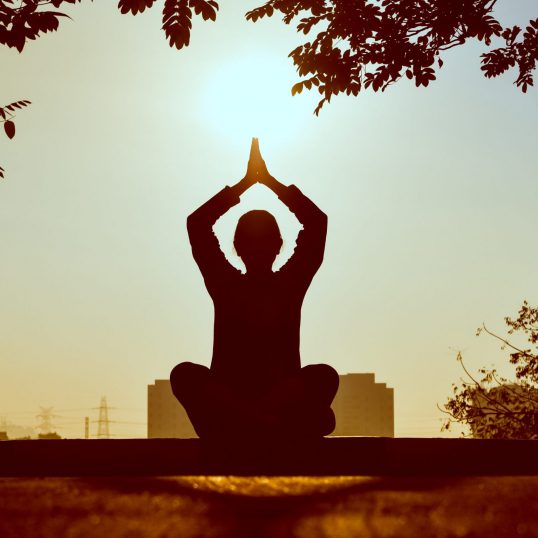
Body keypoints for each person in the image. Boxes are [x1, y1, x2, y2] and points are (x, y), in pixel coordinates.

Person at [170, 138, 338, 439]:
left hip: (238, 413)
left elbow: (198, 224)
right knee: (184, 374)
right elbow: (316, 222)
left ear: (235, 247)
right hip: (254, 409)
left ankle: (252, 421)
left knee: (324, 376)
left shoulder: (233, 282)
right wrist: (267, 183)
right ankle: (264, 422)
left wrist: (248, 184)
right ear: (280, 246)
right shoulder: (275, 283)